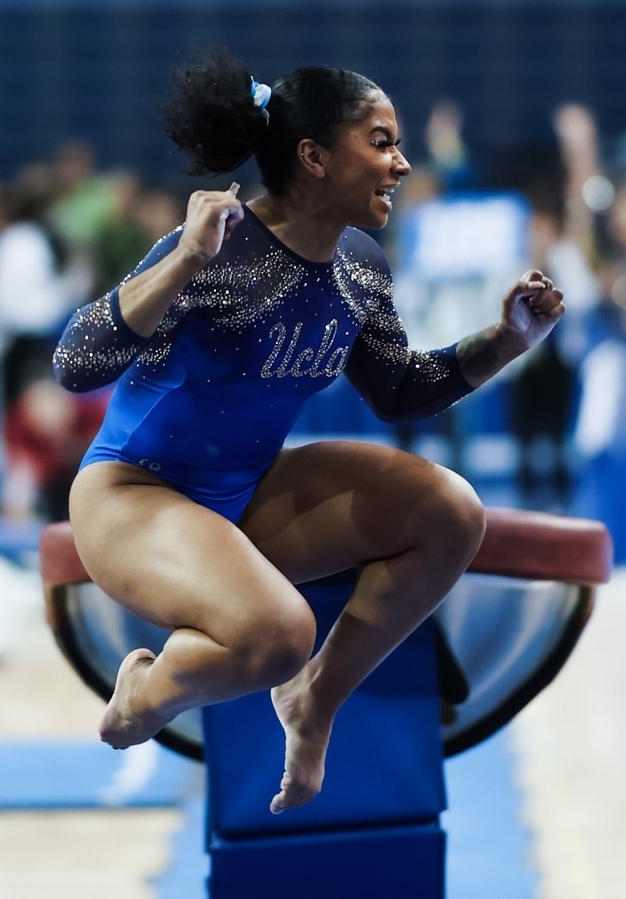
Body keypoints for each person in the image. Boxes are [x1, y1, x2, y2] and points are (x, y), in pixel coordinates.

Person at [52, 50, 566, 814]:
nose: (403, 162)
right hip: (134, 494)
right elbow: (74, 361)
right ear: (314, 157)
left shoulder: (359, 266)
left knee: (450, 512)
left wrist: (505, 341)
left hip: (246, 493)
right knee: (277, 631)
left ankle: (314, 701)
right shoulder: (218, 250)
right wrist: (185, 260)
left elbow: (398, 389)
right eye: (383, 141)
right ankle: (140, 696)